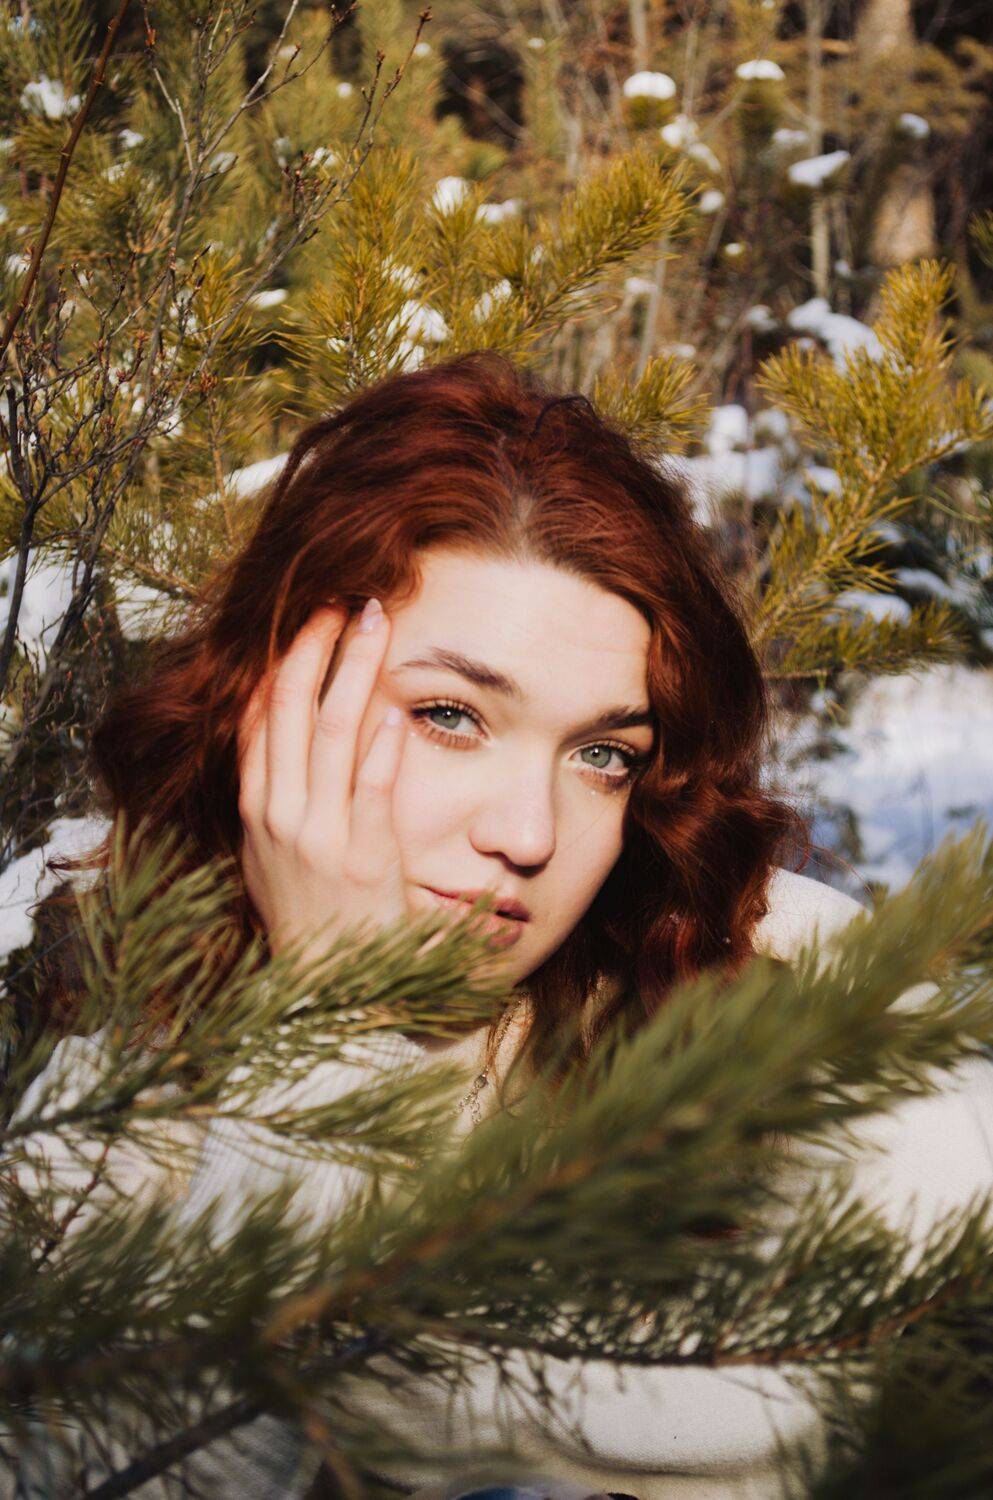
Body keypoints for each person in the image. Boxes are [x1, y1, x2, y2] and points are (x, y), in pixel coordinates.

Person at [9, 352, 993, 1498]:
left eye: (602, 755)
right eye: (450, 715)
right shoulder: (118, 1037)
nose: (529, 834)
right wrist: (326, 1027)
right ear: (273, 706)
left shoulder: (794, 993)